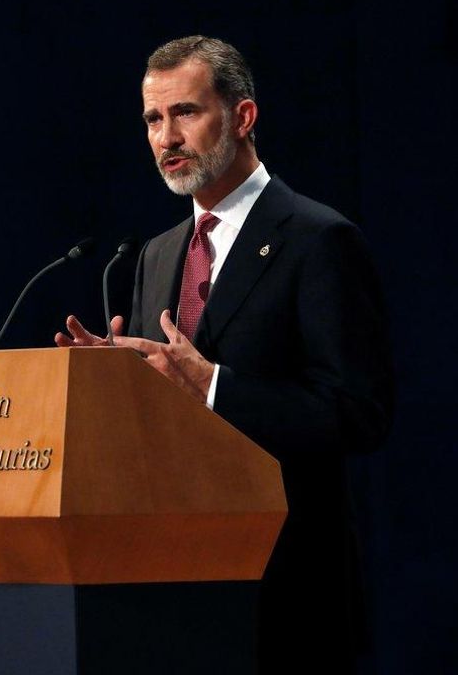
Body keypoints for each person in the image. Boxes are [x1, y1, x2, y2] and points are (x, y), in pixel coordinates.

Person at [55, 35, 394, 672]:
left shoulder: (319, 240)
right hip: (172, 586)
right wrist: (112, 382)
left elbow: (359, 412)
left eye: (185, 112)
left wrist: (214, 386)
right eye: (153, 120)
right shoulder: (156, 254)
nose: (166, 138)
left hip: (288, 588)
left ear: (242, 117)